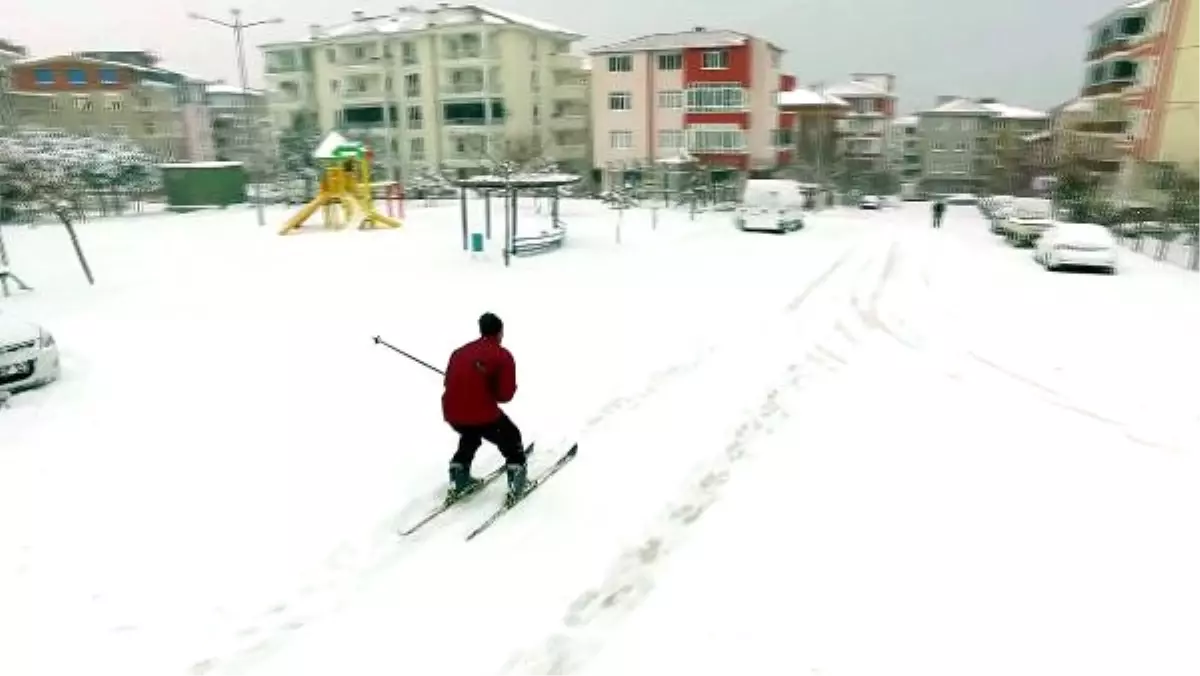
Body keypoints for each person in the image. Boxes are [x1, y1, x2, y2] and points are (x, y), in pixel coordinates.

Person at [441, 312, 528, 504]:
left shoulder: (459, 352)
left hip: (452, 412)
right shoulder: (502, 356)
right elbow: (505, 395)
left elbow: (448, 381)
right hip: (480, 413)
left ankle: (459, 473)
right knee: (512, 437)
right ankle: (518, 480)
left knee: (470, 434)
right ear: (499, 332)